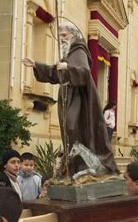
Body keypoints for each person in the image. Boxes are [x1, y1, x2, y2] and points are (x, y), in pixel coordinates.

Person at [22, 22, 118, 176]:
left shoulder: (79, 51)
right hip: (67, 98)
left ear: (74, 35)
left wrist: (68, 68)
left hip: (79, 101)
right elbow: (55, 73)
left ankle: (81, 168)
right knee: (68, 132)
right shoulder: (69, 54)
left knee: (74, 129)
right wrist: (36, 65)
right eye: (60, 35)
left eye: (64, 35)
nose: (61, 38)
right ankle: (73, 168)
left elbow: (84, 73)